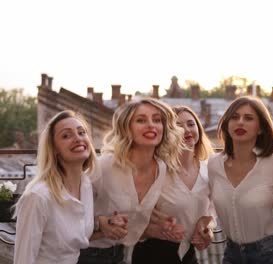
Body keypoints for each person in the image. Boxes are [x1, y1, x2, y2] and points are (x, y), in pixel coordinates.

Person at [78, 98, 184, 264]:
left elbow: (134, 227)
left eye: (157, 120)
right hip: (83, 255)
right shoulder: (104, 166)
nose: (151, 125)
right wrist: (101, 224)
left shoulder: (161, 168)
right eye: (141, 120)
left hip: (120, 255)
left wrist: (160, 228)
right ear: (127, 128)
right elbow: (68, 217)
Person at [208, 96, 273, 264]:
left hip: (271, 253)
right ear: (227, 124)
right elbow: (209, 202)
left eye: (248, 118)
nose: (240, 122)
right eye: (235, 117)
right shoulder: (213, 164)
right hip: (232, 252)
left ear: (260, 128)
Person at [132, 105, 215, 264]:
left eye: (191, 124)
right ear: (166, 133)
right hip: (153, 255)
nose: (186, 130)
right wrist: (152, 230)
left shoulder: (209, 170)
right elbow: (132, 221)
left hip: (189, 256)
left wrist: (207, 230)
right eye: (178, 126)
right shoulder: (155, 171)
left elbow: (211, 211)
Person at [14, 110, 97, 264]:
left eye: (81, 132)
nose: (78, 138)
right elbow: (23, 260)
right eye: (66, 135)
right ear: (55, 150)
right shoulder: (38, 197)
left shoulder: (85, 185)